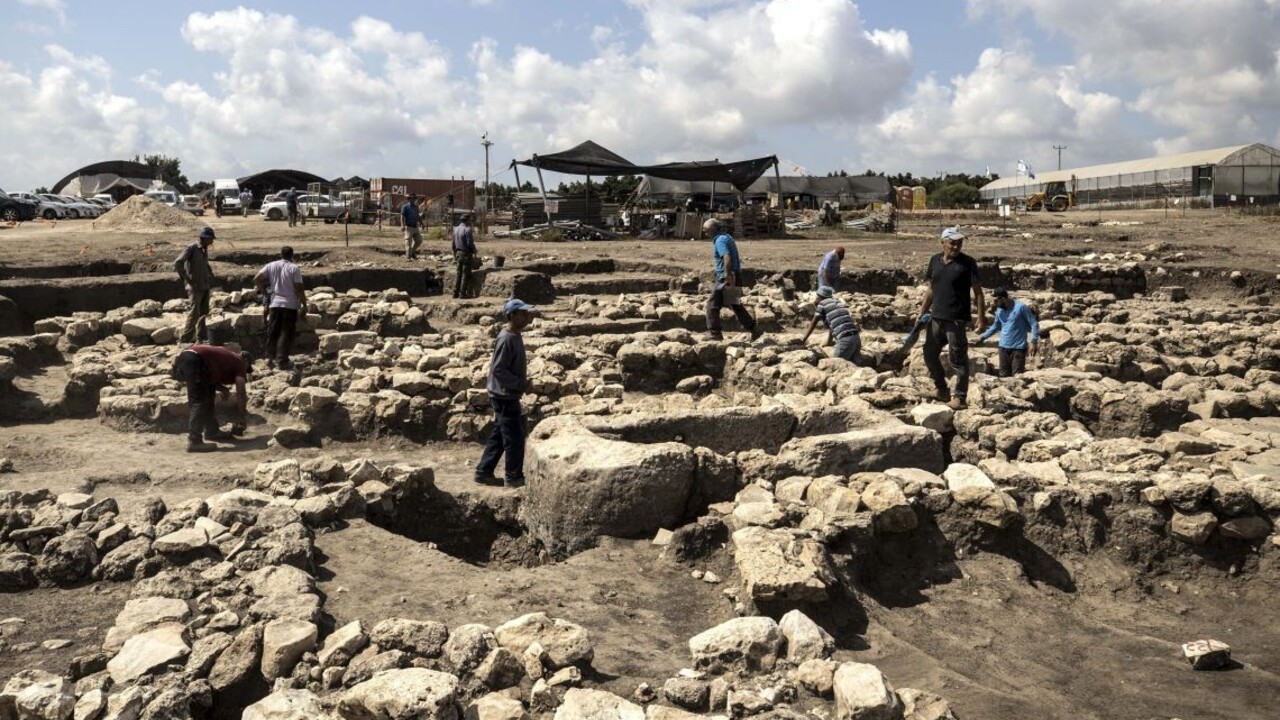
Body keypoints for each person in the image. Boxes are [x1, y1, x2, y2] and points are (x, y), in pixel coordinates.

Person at [917, 226, 984, 409]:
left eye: (959, 243)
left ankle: (960, 398)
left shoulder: (968, 263)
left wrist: (981, 318)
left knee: (958, 359)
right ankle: (941, 389)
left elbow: (978, 293)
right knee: (929, 354)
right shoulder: (934, 260)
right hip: (936, 317)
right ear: (942, 242)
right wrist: (922, 311)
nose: (956, 247)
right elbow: (931, 288)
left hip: (956, 319)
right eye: (952, 243)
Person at [476, 299, 535, 488]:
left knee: (500, 436)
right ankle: (513, 477)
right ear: (512, 316)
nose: (527, 316)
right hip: (504, 395)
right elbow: (499, 370)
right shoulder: (507, 338)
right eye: (523, 313)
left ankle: (483, 472)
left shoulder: (514, 335)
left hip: (506, 393)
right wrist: (521, 384)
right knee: (515, 438)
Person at [171, 344, 252, 452]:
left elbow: (211, 372)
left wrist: (222, 388)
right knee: (199, 401)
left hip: (189, 358)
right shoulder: (240, 362)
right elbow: (241, 393)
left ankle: (212, 431)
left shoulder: (227, 357)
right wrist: (241, 416)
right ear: (246, 361)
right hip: (196, 360)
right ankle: (194, 441)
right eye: (247, 369)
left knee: (209, 394)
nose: (245, 372)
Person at [704, 218, 762, 341]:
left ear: (713, 229)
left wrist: (727, 275)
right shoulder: (726, 237)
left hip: (726, 278)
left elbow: (726, 256)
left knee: (712, 305)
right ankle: (754, 328)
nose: (705, 233)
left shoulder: (720, 240)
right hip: (734, 275)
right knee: (735, 304)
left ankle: (715, 333)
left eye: (706, 230)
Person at [254, 246, 307, 370]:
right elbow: (299, 288)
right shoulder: (294, 268)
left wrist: (264, 292)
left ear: (281, 255)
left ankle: (269, 358)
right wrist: (304, 304)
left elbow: (256, 278)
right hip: (290, 305)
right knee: (286, 333)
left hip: (275, 304)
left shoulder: (271, 265)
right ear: (292, 256)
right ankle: (282, 361)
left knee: (273, 331)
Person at [978, 288, 1039, 377]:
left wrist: (1034, 341)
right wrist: (982, 337)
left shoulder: (1021, 307)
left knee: (1017, 377)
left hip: (1018, 348)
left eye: (995, 301)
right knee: (1003, 376)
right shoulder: (999, 310)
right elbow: (996, 326)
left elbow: (1033, 323)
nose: (993, 303)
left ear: (1002, 298)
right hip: (1003, 348)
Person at [174, 227, 217, 344]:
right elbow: (178, 263)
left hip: (204, 285)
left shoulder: (204, 249)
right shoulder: (192, 248)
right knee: (194, 313)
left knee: (203, 312)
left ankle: (201, 338)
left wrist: (210, 273)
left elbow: (204, 264)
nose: (212, 241)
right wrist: (187, 279)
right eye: (210, 239)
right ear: (204, 238)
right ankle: (185, 339)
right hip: (195, 287)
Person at [802, 286, 861, 363]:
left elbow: (814, 323)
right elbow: (832, 327)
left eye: (817, 296)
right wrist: (828, 342)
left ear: (820, 296)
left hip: (845, 340)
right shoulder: (837, 302)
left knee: (835, 364)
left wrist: (804, 340)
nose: (816, 298)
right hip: (856, 338)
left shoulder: (822, 304)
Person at [452, 214, 478, 298]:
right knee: (465, 274)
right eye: (470, 220)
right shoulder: (467, 230)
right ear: (467, 220)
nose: (471, 221)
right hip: (466, 254)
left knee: (458, 273)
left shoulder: (456, 229)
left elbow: (453, 244)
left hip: (458, 253)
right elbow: (469, 243)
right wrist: (474, 250)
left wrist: (454, 254)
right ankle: (462, 293)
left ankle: (455, 293)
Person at [402, 194, 423, 260]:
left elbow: (418, 216)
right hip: (408, 227)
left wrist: (422, 223)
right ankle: (408, 257)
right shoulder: (405, 207)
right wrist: (402, 225)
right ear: (409, 199)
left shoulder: (416, 207)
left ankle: (412, 252)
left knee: (419, 240)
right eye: (411, 198)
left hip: (415, 227)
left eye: (414, 198)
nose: (413, 200)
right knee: (408, 242)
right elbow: (402, 216)